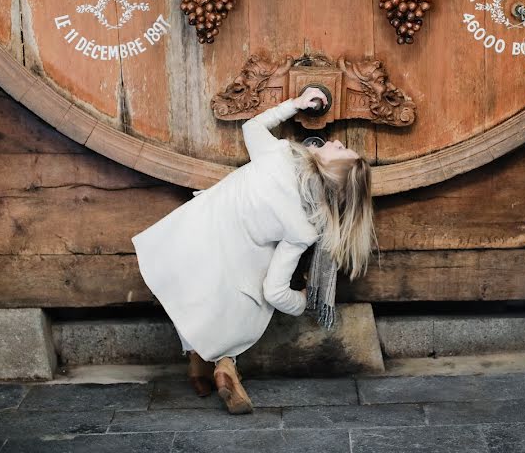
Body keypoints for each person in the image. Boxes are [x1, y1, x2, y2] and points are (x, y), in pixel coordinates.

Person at [132, 87, 375, 415]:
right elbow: (275, 292)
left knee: (192, 297)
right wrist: (304, 301)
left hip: (193, 232)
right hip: (232, 262)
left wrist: (296, 104)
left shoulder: (278, 158)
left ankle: (199, 368)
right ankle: (225, 365)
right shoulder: (303, 228)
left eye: (342, 151)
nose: (338, 142)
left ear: (332, 173)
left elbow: (251, 127)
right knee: (242, 302)